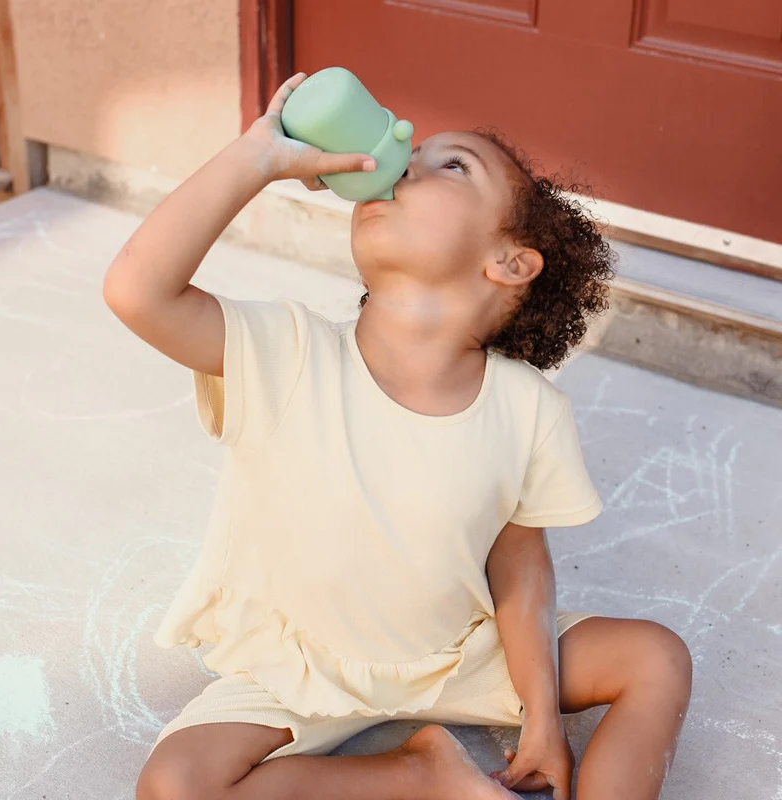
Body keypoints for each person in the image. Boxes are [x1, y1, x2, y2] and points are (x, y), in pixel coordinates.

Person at [104, 72, 692, 800]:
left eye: (452, 164)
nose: (404, 157)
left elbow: (520, 565)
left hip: (458, 655)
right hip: (303, 667)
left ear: (509, 263)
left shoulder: (527, 409)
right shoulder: (287, 351)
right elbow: (137, 291)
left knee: (657, 658)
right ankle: (418, 772)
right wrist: (254, 160)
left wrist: (541, 715)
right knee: (175, 787)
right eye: (411, 153)